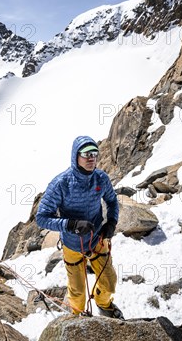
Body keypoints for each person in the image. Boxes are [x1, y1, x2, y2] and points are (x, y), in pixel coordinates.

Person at [36, 135, 124, 319]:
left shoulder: (100, 178)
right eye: (85, 154)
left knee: (109, 282)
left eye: (94, 153)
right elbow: (42, 218)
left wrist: (112, 222)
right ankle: (77, 317)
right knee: (77, 293)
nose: (91, 158)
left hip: (98, 238)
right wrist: (71, 224)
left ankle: (103, 303)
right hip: (72, 244)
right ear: (75, 156)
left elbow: (112, 202)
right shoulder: (61, 183)